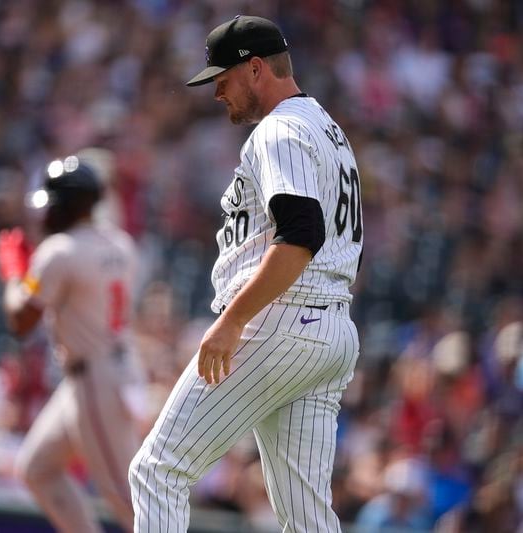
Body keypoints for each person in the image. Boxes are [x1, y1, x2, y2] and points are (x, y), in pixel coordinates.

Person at [129, 15, 364, 532]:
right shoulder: (328, 129)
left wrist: (234, 320)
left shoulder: (280, 128)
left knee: (157, 470)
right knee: (307, 520)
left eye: (222, 77)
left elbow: (301, 235)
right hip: (328, 328)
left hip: (280, 321)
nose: (216, 91)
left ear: (255, 69)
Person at [0, 155, 140, 533]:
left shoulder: (59, 250)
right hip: (112, 369)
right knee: (38, 469)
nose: (43, 214)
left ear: (67, 206)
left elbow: (20, 321)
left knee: (127, 500)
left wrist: (15, 275)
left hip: (94, 378)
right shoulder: (118, 241)